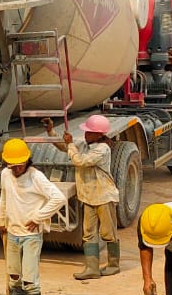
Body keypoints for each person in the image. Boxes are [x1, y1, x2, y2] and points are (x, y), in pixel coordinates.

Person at [0, 138, 67, 295]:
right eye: (12, 165)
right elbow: (5, 197)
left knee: (30, 280)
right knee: (14, 276)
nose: (16, 169)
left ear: (27, 160)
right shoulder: (5, 175)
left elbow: (58, 198)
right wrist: (1, 220)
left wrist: (38, 217)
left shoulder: (36, 177)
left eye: (19, 165)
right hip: (12, 232)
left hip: (31, 237)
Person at [47, 115, 121, 279]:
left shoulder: (102, 149)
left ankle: (113, 264)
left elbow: (81, 161)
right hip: (89, 196)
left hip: (104, 196)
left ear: (98, 134)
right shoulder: (86, 144)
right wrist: (51, 132)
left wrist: (70, 144)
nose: (85, 134)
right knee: (88, 233)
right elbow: (64, 147)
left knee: (108, 233)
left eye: (89, 132)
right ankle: (92, 268)